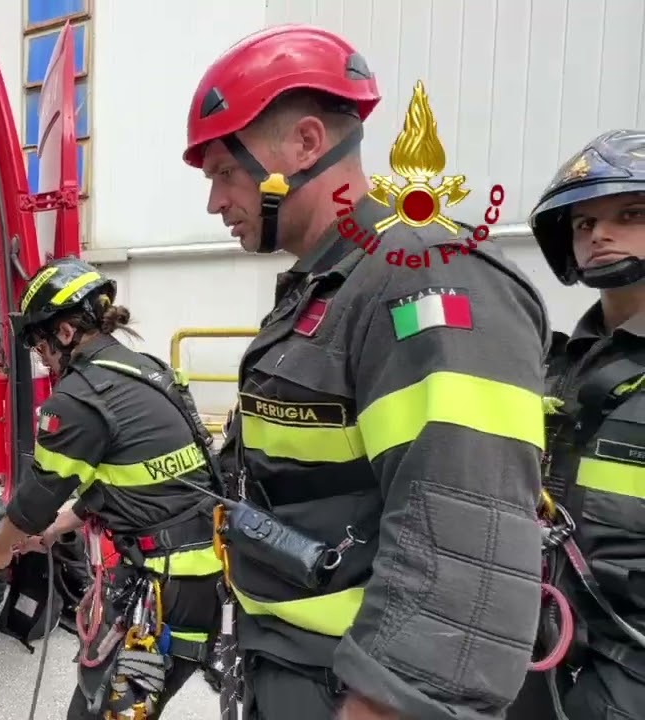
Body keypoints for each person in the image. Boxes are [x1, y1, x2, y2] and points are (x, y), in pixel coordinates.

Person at [182, 25, 550, 720]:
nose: (215, 203)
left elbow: (462, 547)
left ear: (307, 144)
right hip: (289, 667)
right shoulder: (332, 287)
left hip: (354, 691)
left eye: (224, 173)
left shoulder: (427, 281)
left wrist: (384, 706)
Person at [0, 257, 225, 719]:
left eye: (39, 343)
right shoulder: (143, 370)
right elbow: (130, 479)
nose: (42, 357)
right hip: (192, 574)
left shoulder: (78, 397)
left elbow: (35, 500)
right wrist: (59, 528)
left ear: (66, 333)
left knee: (103, 710)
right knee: (101, 699)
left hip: (167, 584)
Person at [505, 129, 645, 720]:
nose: (599, 235)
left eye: (630, 213)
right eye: (583, 224)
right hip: (538, 653)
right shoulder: (549, 368)